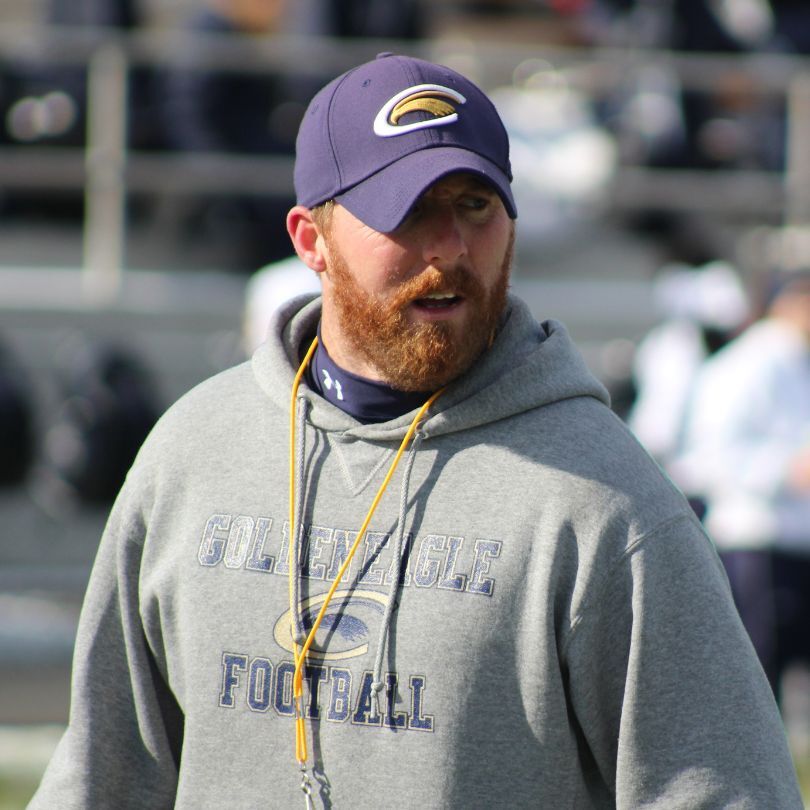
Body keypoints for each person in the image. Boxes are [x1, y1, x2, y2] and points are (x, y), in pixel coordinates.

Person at [29, 53, 803, 809]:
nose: (450, 250)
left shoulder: (604, 501)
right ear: (311, 240)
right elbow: (103, 774)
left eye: (475, 206)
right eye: (407, 210)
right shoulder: (191, 455)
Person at [670, 268, 810, 703]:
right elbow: (708, 456)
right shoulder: (745, 365)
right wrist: (786, 470)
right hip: (757, 541)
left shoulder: (795, 362)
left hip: (795, 541)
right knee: (756, 686)